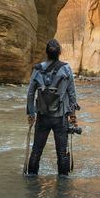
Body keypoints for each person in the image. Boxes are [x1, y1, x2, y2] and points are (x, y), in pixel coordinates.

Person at [26, 39, 79, 176]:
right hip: (60, 117)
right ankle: (63, 186)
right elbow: (72, 94)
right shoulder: (66, 69)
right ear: (59, 53)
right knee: (62, 153)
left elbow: (30, 93)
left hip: (42, 116)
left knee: (36, 150)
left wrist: (31, 113)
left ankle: (31, 181)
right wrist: (73, 115)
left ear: (46, 53)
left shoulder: (38, 69)